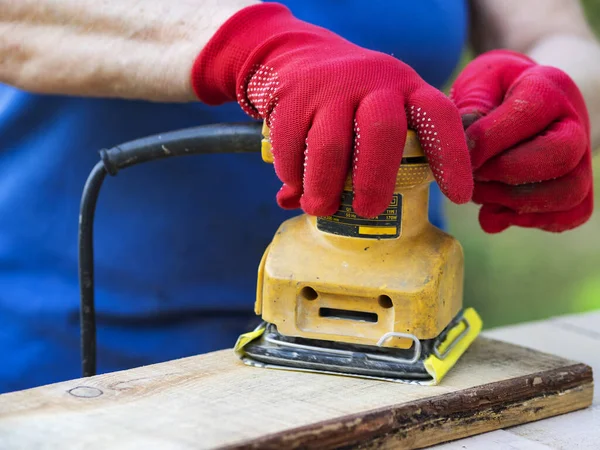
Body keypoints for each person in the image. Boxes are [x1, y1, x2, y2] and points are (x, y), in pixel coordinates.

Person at [0, 0, 598, 394]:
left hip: (388, 373)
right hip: (77, 354)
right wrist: (249, 50)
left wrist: (552, 98)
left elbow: (558, 34)